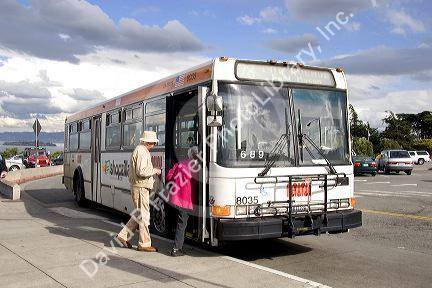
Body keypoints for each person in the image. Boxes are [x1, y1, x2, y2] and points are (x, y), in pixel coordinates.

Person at [116, 131, 161, 252]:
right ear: (148, 142)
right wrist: (155, 170)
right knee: (144, 216)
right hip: (141, 187)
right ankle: (144, 244)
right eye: (153, 143)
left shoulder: (140, 150)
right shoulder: (142, 151)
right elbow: (141, 171)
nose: (154, 145)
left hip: (139, 186)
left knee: (139, 214)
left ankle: (123, 236)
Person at [166, 146, 199, 257]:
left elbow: (169, 176)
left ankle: (179, 246)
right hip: (188, 200)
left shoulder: (180, 164)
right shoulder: (198, 167)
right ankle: (176, 249)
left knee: (181, 223)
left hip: (177, 199)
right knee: (182, 223)